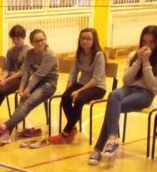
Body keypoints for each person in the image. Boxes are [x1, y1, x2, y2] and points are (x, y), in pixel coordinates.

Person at [88, 25, 157, 164]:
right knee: (113, 95)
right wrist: (138, 61)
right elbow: (126, 80)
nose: (147, 45)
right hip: (128, 88)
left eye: (151, 42)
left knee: (112, 108)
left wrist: (146, 62)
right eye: (144, 41)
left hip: (146, 93)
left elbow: (152, 85)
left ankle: (97, 149)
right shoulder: (133, 56)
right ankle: (112, 139)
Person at [0, 29, 58, 144]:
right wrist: (21, 90)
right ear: (32, 42)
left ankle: (3, 127)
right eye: (37, 41)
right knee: (21, 104)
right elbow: (25, 73)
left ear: (45, 39)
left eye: (42, 40)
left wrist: (27, 89)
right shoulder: (30, 54)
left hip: (48, 84)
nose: (40, 43)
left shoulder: (50, 55)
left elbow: (38, 75)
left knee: (28, 103)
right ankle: (6, 133)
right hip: (35, 82)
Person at [49, 28, 107, 145]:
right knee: (65, 97)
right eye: (82, 38)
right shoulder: (79, 54)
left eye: (88, 39)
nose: (85, 41)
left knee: (79, 99)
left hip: (97, 87)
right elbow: (73, 73)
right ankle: (73, 129)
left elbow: (96, 79)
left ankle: (65, 133)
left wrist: (79, 91)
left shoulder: (99, 55)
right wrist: (69, 88)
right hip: (82, 84)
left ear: (94, 40)